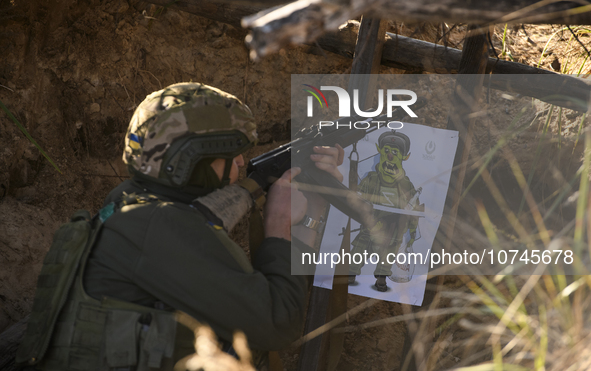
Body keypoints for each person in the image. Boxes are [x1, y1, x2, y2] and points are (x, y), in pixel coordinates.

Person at [17, 83, 343, 370]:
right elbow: (278, 322)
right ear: (191, 160)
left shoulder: (127, 201)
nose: (242, 163)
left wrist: (308, 212)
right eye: (231, 154)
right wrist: (281, 224)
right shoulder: (158, 226)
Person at [348, 130, 421, 292]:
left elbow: (414, 210)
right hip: (370, 226)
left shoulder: (407, 186)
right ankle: (351, 273)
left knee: (388, 253)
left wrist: (412, 231)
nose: (390, 156)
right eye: (386, 150)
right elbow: (356, 197)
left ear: (404, 156)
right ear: (379, 150)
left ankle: (381, 278)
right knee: (360, 247)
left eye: (395, 152)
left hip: (393, 230)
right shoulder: (371, 179)